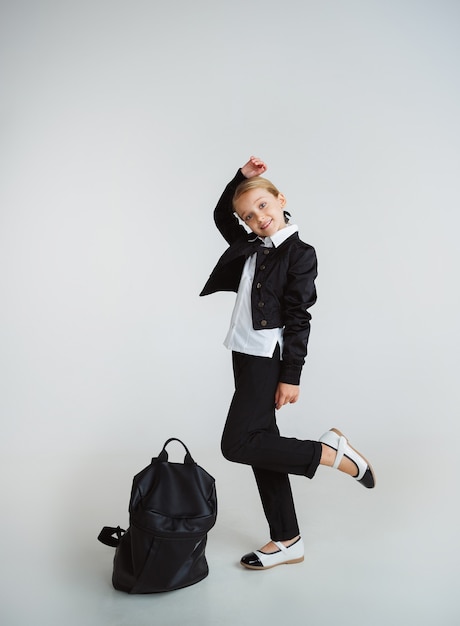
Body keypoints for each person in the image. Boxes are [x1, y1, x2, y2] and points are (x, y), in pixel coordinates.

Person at [200, 156, 375, 570]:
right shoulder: (247, 244)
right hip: (242, 353)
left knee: (236, 444)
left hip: (267, 357)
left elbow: (299, 317)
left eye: (262, 205)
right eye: (247, 214)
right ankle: (287, 540)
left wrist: (290, 376)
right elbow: (219, 214)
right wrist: (240, 180)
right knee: (261, 448)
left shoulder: (300, 254)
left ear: (280, 200)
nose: (256, 217)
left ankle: (330, 453)